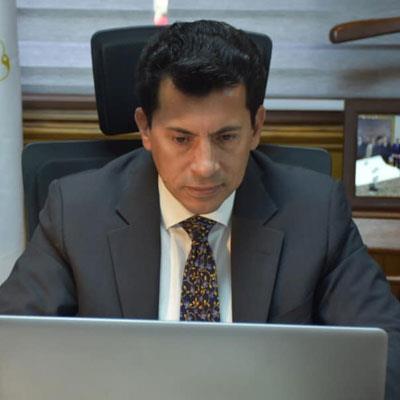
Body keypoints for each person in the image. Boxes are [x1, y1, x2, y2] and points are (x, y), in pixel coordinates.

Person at [0, 20, 399, 398]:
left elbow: (386, 352)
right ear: (145, 129)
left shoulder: (315, 211)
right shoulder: (76, 212)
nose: (205, 166)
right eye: (181, 138)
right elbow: (12, 351)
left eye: (226, 137)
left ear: (256, 127)